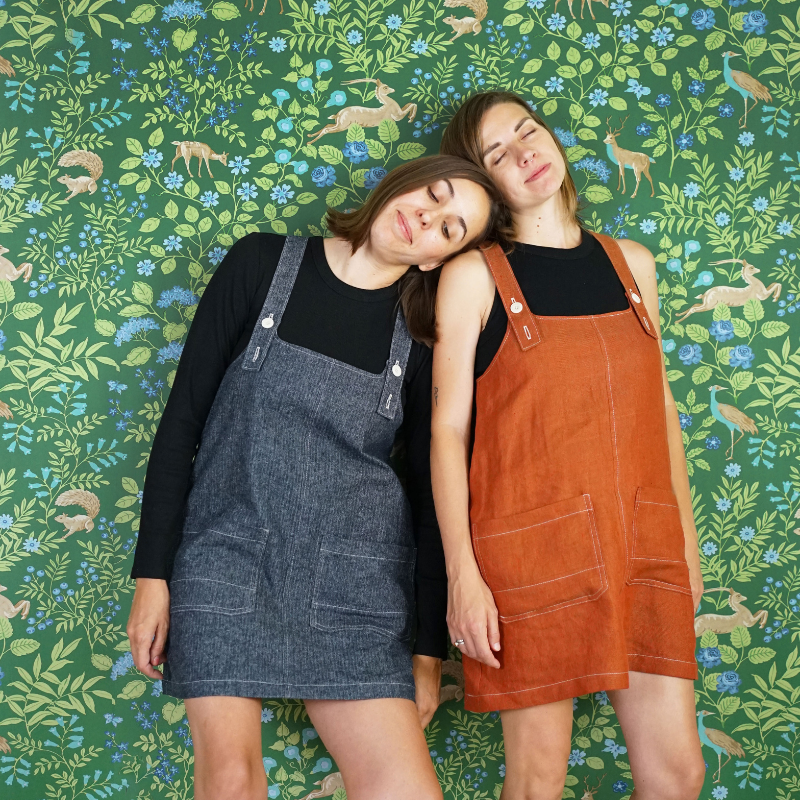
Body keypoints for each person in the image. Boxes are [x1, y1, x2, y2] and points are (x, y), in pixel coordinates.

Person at [126, 155, 507, 800]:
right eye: (433, 195)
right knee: (231, 781)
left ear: (440, 261)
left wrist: (425, 650)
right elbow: (181, 423)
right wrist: (152, 576)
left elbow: (426, 501)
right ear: (403, 182)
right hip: (227, 565)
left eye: (451, 228)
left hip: (357, 590)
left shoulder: (420, 339)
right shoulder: (259, 265)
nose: (427, 218)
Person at [432, 92, 705, 800]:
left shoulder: (632, 263)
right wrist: (463, 576)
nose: (523, 151)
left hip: (644, 544)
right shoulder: (474, 278)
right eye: (497, 152)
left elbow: (662, 409)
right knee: (537, 781)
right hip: (529, 560)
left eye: (527, 130)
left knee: (678, 775)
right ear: (486, 183)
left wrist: (688, 546)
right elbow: (447, 432)